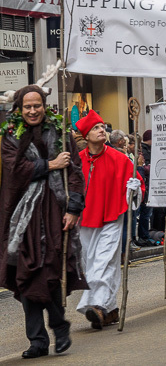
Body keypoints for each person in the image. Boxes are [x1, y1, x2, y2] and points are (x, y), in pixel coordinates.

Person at [0, 85, 87, 358]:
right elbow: (16, 170)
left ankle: (59, 327)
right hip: (20, 218)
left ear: (44, 106)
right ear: (19, 108)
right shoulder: (10, 135)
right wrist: (50, 165)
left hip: (54, 211)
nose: (32, 110)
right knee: (26, 272)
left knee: (51, 270)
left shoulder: (60, 133)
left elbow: (74, 172)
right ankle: (37, 340)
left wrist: (73, 208)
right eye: (27, 106)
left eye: (37, 105)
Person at [76, 110, 144, 329]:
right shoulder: (77, 162)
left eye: (102, 127)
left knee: (104, 260)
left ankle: (95, 304)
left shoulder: (120, 158)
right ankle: (110, 309)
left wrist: (134, 189)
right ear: (86, 135)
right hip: (85, 219)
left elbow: (138, 184)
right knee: (89, 261)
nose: (101, 131)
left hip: (112, 217)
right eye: (96, 128)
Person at [137, 130, 153, 246]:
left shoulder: (147, 150)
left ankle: (145, 235)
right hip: (145, 185)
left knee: (147, 213)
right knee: (145, 213)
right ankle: (143, 235)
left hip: (147, 185)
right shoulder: (144, 151)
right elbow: (144, 168)